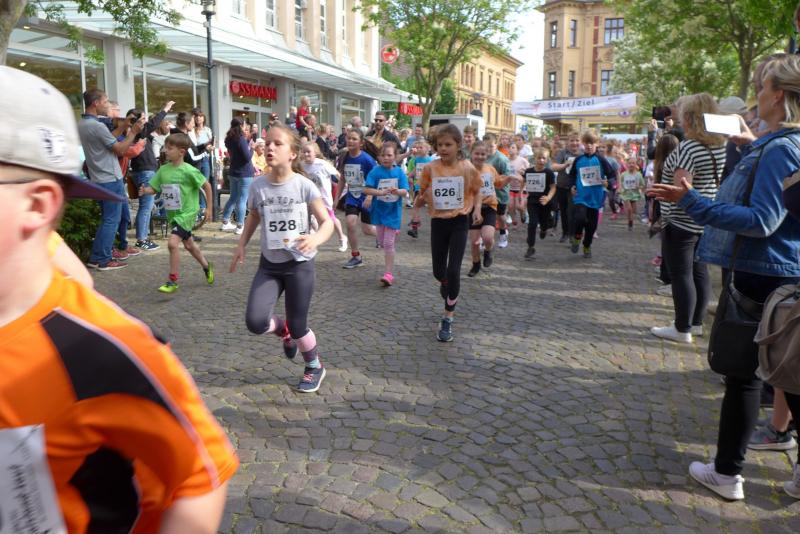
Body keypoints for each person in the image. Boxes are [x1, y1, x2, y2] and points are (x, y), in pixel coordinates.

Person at [0, 65, 237, 533]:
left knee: (181, 244)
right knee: (177, 245)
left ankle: (194, 268)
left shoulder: (105, 349)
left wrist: (208, 208)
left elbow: (200, 476)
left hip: (185, 222)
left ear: (37, 205)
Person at [649, 53, 800, 502]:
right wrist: (747, 146)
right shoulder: (780, 144)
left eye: (761, 87)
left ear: (778, 95)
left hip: (764, 273)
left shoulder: (781, 148)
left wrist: (690, 201)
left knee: (745, 375)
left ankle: (726, 472)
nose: (756, 95)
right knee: (786, 376)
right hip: (779, 270)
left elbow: (762, 220)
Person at [230, 124, 334, 393]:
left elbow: (327, 223)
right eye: (267, 142)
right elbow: (254, 215)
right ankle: (283, 331)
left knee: (299, 326)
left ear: (293, 153)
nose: (269, 147)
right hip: (270, 266)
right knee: (256, 322)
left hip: (300, 265)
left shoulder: (304, 186)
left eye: (277, 143)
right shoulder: (258, 186)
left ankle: (314, 366)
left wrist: (315, 239)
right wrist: (241, 245)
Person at [650, 93, 725, 344]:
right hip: (705, 216)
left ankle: (682, 328)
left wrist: (660, 196)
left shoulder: (690, 147)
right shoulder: (719, 146)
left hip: (681, 219)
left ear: (691, 118)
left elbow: (681, 190)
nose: (679, 119)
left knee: (681, 274)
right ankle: (695, 324)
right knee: (699, 272)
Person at [410, 124, 482, 342]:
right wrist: (416, 210)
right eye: (440, 145)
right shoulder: (430, 168)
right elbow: (422, 193)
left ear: (458, 145)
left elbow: (477, 190)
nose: (443, 148)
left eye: (448, 144)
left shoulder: (466, 167)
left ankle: (448, 316)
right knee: (438, 271)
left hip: (460, 221)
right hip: (438, 222)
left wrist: (477, 210)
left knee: (453, 270)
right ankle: (444, 283)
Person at [79, 88, 145, 270]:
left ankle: (97, 257)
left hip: (98, 178)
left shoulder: (84, 124)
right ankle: (102, 259)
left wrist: (123, 127)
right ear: (96, 103)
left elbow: (107, 141)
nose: (107, 105)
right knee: (111, 220)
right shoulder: (97, 126)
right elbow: (120, 149)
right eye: (105, 101)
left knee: (107, 219)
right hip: (110, 177)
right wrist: (133, 133)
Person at [139, 133, 214, 293]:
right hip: (173, 215)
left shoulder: (189, 170)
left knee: (172, 243)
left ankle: (172, 280)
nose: (165, 150)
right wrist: (145, 190)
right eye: (165, 147)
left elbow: (207, 185)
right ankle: (207, 266)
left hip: (187, 213)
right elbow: (155, 188)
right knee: (189, 245)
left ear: (181, 152)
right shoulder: (163, 170)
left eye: (169, 148)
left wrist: (209, 208)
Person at [362, 142, 409, 286]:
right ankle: (393, 232)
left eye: (389, 155)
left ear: (395, 156)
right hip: (379, 211)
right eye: (383, 155)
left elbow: (405, 191)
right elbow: (366, 189)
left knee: (388, 244)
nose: (386, 158)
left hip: (393, 212)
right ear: (378, 157)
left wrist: (398, 191)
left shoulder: (399, 172)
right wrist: (380, 192)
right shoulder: (375, 172)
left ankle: (388, 274)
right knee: (382, 242)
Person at [130, 100, 175, 251]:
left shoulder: (139, 134)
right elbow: (154, 123)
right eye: (143, 118)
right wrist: (165, 109)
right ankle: (142, 239)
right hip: (145, 172)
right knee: (146, 206)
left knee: (146, 206)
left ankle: (143, 238)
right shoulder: (138, 132)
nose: (145, 121)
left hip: (146, 171)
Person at [567, 130, 613, 259]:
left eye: (592, 143)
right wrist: (572, 186)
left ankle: (587, 245)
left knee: (591, 226)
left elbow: (611, 176)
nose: (589, 145)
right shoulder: (578, 159)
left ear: (596, 144)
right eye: (586, 143)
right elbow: (572, 175)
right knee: (580, 218)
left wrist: (608, 183)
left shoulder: (601, 160)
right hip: (581, 197)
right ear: (583, 144)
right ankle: (577, 237)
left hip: (595, 198)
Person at [467, 141, 508, 277]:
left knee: (488, 237)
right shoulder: (466, 169)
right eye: (477, 154)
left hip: (489, 206)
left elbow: (499, 184)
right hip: (472, 208)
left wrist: (509, 179)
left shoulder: (490, 169)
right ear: (471, 153)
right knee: (475, 242)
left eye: (483, 154)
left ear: (487, 155)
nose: (480, 156)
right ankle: (475, 264)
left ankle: (488, 251)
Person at [338, 128, 377, 268]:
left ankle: (384, 234)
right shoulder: (344, 157)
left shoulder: (367, 159)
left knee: (367, 230)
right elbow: (342, 179)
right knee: (350, 223)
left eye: (354, 139)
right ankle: (356, 256)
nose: (350, 141)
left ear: (361, 143)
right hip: (352, 197)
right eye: (349, 138)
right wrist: (336, 199)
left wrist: (370, 196)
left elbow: (376, 178)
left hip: (366, 197)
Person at [301, 142, 348, 251]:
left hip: (324, 197)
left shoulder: (322, 164)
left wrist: (345, 185)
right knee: (306, 217)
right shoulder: (301, 165)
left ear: (315, 153)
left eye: (308, 152)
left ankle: (342, 237)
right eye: (304, 152)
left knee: (331, 218)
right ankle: (311, 238)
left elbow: (337, 174)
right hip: (309, 197)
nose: (306, 154)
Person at [220, 118, 255, 235]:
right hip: (244, 173)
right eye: (244, 125)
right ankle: (240, 226)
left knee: (233, 198)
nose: (245, 127)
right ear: (240, 126)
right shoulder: (240, 139)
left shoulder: (229, 139)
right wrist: (252, 148)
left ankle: (225, 222)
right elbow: (247, 157)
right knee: (242, 200)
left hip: (233, 172)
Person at [524, 147, 557, 259]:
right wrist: (521, 196)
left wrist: (548, 197)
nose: (541, 160)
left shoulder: (549, 172)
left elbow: (553, 187)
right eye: (539, 158)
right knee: (532, 223)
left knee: (544, 222)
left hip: (544, 202)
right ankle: (530, 247)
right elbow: (523, 183)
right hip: (532, 201)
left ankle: (544, 229)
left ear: (547, 160)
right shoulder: (528, 171)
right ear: (535, 158)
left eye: (544, 158)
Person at [550, 131, 582, 242]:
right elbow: (553, 166)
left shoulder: (582, 155)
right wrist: (565, 165)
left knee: (572, 211)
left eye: (577, 140)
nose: (574, 143)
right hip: (562, 186)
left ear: (580, 142)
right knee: (563, 211)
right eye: (572, 140)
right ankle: (565, 233)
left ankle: (572, 234)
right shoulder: (562, 153)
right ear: (568, 141)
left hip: (576, 188)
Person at [483, 133, 512, 247]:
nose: (488, 149)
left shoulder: (501, 159)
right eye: (486, 146)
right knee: (485, 215)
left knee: (500, 216)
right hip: (486, 193)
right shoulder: (482, 156)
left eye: (491, 146)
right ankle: (484, 239)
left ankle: (503, 233)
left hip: (500, 193)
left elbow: (507, 176)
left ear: (496, 145)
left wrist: (495, 180)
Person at [406, 139, 433, 219]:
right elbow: (416, 169)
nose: (419, 149)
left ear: (427, 149)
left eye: (421, 147)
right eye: (417, 148)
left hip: (428, 186)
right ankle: (415, 221)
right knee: (416, 204)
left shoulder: (430, 160)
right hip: (419, 185)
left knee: (431, 204)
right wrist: (410, 176)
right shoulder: (416, 159)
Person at [619, 157, 646, 230]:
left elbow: (643, 185)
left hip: (634, 195)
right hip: (625, 194)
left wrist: (639, 187)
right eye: (630, 163)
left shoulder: (638, 174)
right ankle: (630, 223)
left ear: (636, 164)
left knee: (633, 211)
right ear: (627, 164)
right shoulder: (623, 174)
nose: (631, 165)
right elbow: (620, 183)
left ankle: (630, 220)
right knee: (629, 209)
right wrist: (620, 189)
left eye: (633, 163)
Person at [507, 141, 529, 226]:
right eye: (509, 147)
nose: (510, 149)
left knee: (519, 206)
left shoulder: (522, 161)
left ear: (517, 150)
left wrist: (523, 173)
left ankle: (523, 212)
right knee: (510, 205)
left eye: (513, 147)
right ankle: (514, 219)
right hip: (510, 187)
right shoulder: (505, 160)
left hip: (521, 187)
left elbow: (530, 172)